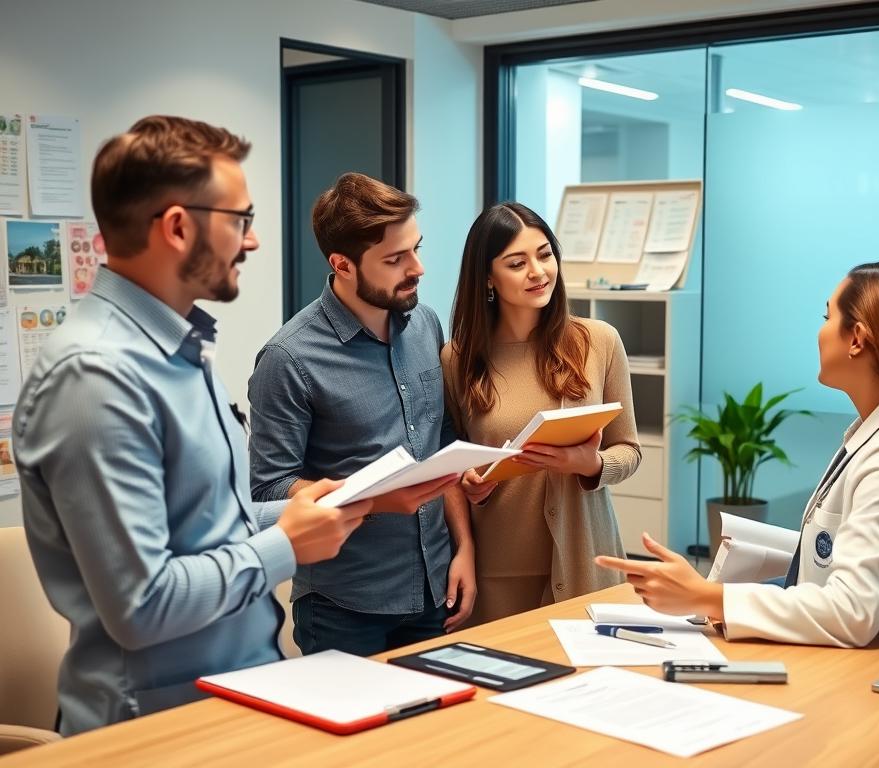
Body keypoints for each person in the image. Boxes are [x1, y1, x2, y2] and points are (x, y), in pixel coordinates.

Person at [13, 116, 371, 736]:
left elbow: (200, 521)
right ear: (178, 227)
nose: (252, 241)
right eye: (240, 220)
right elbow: (142, 605)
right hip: (154, 728)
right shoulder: (95, 376)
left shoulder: (179, 349)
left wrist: (302, 512)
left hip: (236, 699)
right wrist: (286, 546)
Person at [597, 261, 879, 647]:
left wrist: (704, 596)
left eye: (827, 317)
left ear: (857, 339)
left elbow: (853, 611)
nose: (820, 331)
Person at [248, 173, 474, 656]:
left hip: (435, 587)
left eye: (415, 249)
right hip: (344, 605)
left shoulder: (425, 323)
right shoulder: (288, 359)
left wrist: (465, 550)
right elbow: (269, 489)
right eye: (395, 259)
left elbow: (441, 443)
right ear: (342, 265)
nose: (417, 268)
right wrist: (372, 499)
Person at [442, 202, 641, 624]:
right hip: (498, 570)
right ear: (488, 277)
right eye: (517, 263)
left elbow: (629, 450)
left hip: (586, 560)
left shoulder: (599, 342)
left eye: (545, 254)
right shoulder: (457, 359)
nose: (538, 271)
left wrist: (591, 463)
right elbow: (451, 460)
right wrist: (469, 480)